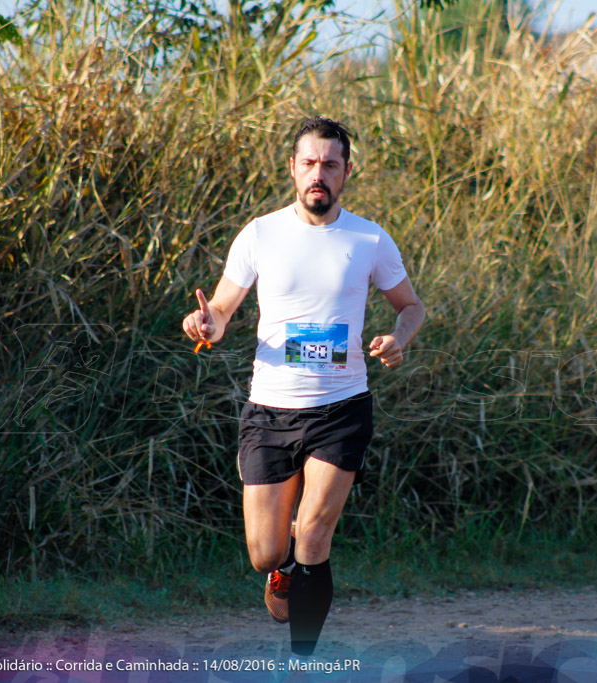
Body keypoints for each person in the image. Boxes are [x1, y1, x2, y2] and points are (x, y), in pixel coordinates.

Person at [181, 116, 425, 657]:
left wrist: (398, 336)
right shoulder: (261, 234)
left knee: (314, 536)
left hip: (342, 407)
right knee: (266, 553)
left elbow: (411, 306)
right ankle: (282, 569)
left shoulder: (369, 238)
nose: (320, 174)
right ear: (293, 168)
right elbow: (221, 307)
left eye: (331, 165)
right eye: (310, 163)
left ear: (346, 172)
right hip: (270, 409)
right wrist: (207, 325)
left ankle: (303, 661)